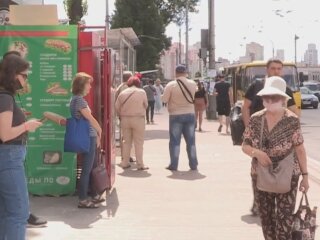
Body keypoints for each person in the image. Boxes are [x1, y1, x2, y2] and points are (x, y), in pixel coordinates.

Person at [242, 76, 309, 240]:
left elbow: (300, 149)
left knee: (284, 222)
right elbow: (245, 145)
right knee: (267, 221)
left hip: (288, 176)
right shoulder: (256, 119)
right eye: (267, 97)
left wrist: (305, 177)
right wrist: (258, 153)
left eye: (275, 97)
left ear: (283, 99)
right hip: (260, 174)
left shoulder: (291, 120)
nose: (270, 100)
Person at [242, 59, 299, 216]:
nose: (276, 71)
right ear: (267, 69)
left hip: (280, 139)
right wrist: (249, 128)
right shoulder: (256, 86)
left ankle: (276, 202)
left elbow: (294, 110)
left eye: (279, 69)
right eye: (273, 68)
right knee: (259, 169)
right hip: (260, 137)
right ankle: (259, 201)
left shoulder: (285, 88)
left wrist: (291, 129)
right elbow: (245, 107)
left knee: (279, 170)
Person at [2, 50, 48, 228]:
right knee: (18, 213)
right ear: (13, 74)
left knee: (9, 212)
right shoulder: (5, 97)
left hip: (10, 155)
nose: (26, 79)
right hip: (9, 155)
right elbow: (5, 134)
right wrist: (26, 125)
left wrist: (19, 117)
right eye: (24, 75)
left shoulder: (6, 97)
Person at [70, 72, 104, 208]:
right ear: (82, 85)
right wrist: (99, 130)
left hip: (88, 136)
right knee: (87, 169)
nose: (90, 86)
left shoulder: (75, 99)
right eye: (88, 83)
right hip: (89, 137)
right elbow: (89, 118)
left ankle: (93, 194)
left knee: (91, 166)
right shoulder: (79, 100)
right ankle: (83, 199)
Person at [162, 65, 198, 171]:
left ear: (176, 72)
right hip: (190, 114)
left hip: (175, 115)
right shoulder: (192, 83)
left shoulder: (171, 85)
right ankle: (193, 164)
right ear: (186, 73)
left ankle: (173, 165)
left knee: (175, 142)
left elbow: (164, 100)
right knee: (191, 142)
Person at [115, 76, 149, 170]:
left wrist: (121, 115)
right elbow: (146, 105)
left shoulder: (123, 93)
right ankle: (140, 164)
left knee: (126, 142)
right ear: (138, 83)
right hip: (138, 119)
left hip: (125, 119)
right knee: (139, 142)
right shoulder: (142, 92)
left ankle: (125, 162)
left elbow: (117, 107)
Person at [115, 71, 135, 163]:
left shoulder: (121, 86)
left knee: (125, 137)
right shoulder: (125, 88)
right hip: (126, 115)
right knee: (126, 138)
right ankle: (125, 156)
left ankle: (126, 156)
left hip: (122, 115)